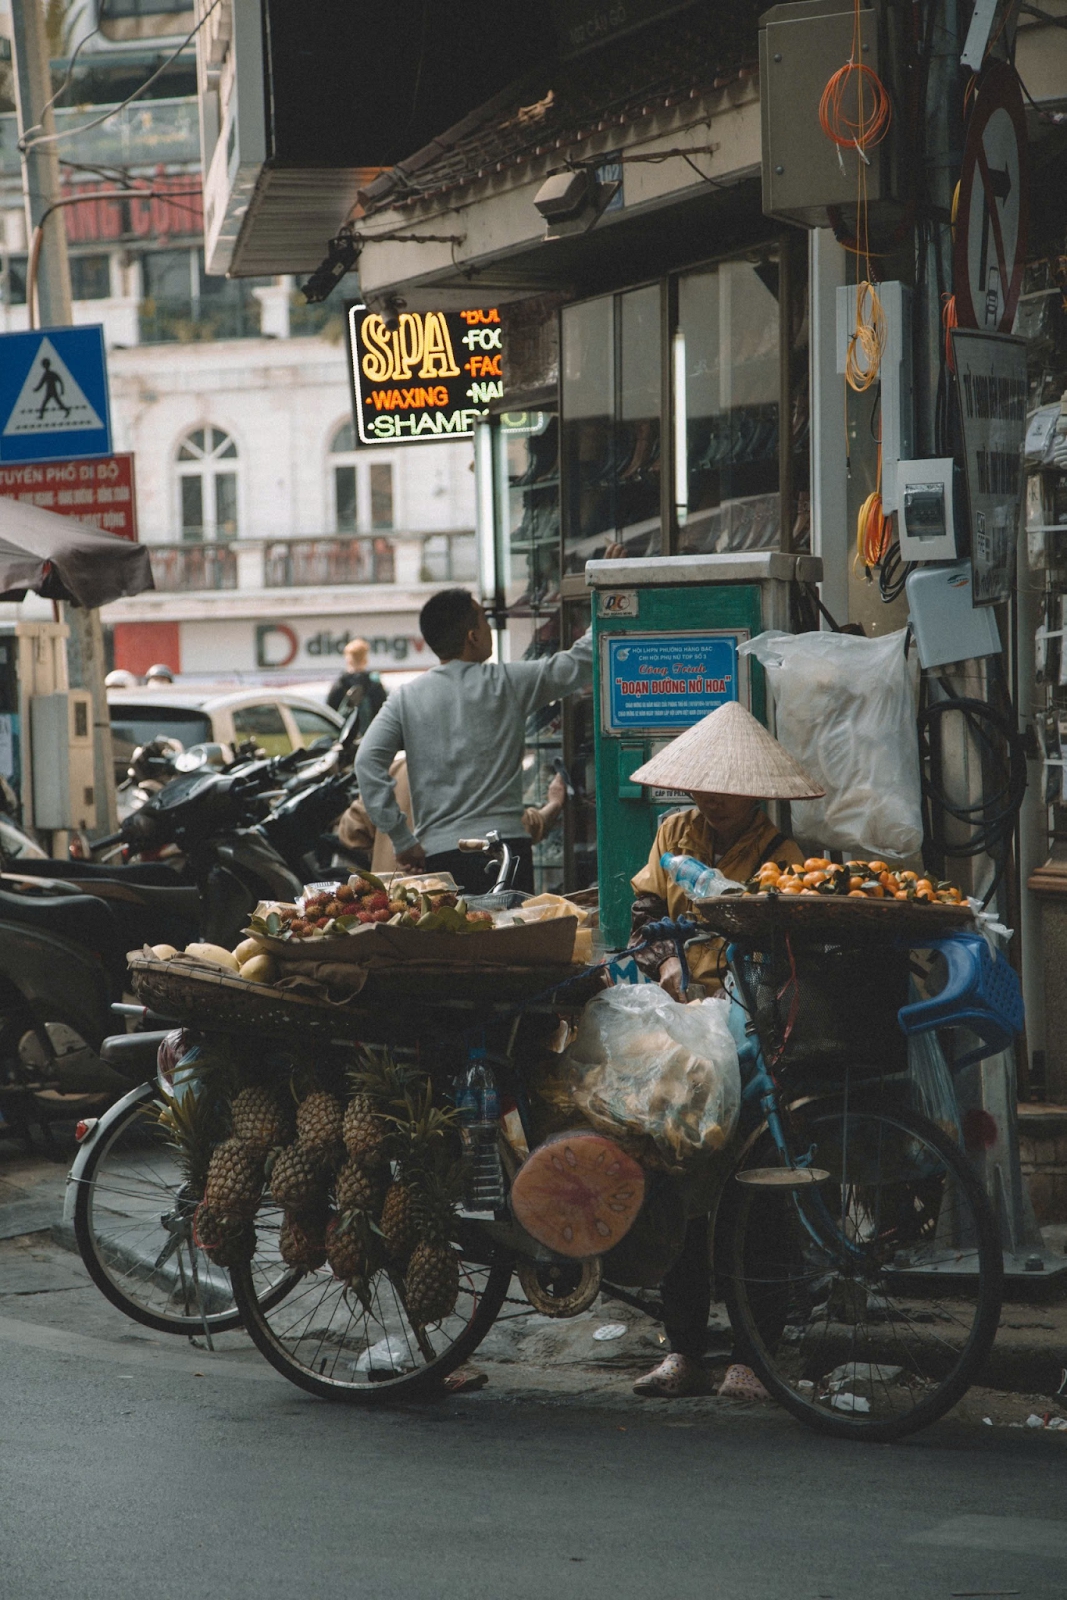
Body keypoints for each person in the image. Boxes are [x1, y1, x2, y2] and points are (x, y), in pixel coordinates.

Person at [624, 699, 825, 1401]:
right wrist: (663, 963)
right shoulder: (672, 831)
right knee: (680, 1184)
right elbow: (644, 914)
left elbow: (783, 947)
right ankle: (682, 1349)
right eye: (702, 783)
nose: (711, 798)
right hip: (680, 1029)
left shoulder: (780, 852)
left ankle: (752, 1352)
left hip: (748, 1026)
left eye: (726, 786)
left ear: (752, 789)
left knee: (751, 1188)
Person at [355, 588, 591, 894]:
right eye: (484, 620)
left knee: (454, 940)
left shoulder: (406, 698)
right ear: (472, 637)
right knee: (513, 937)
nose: (490, 628)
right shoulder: (508, 683)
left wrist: (402, 838)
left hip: (440, 857)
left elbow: (367, 762)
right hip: (507, 852)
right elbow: (576, 665)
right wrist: (609, 594)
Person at [339, 763, 568, 876]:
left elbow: (351, 831)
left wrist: (387, 847)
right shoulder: (474, 774)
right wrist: (555, 804)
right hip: (441, 909)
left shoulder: (397, 767)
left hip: (389, 908)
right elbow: (522, 826)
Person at [327, 638, 387, 736]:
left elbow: (329, 714)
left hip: (344, 741)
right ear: (365, 660)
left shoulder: (340, 685)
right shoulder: (375, 686)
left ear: (348, 660)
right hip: (369, 739)